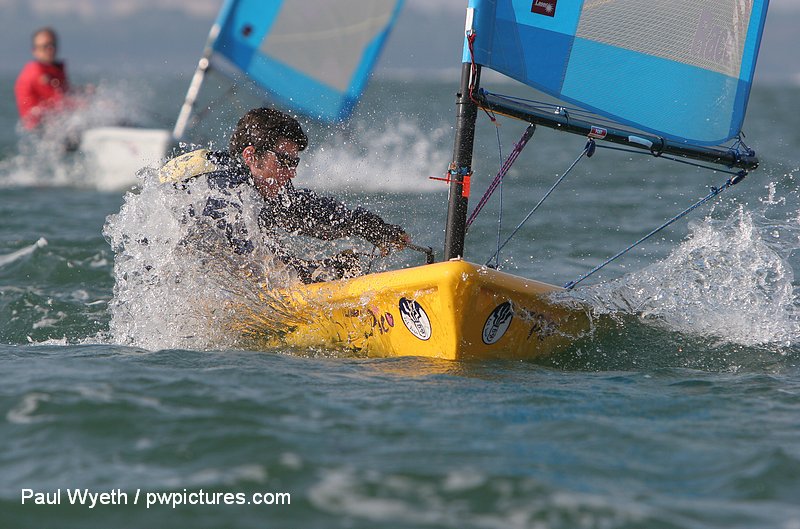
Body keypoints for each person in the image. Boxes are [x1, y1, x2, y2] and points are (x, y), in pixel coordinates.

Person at [161, 107, 410, 283]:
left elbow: (310, 212)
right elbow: (256, 266)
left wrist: (363, 225)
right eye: (284, 162)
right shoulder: (224, 194)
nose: (291, 174)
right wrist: (318, 272)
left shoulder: (261, 184)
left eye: (294, 163)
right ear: (251, 157)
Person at [14, 27, 72, 130]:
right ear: (34, 51)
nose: (50, 49)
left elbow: (65, 94)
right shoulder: (37, 73)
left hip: (54, 122)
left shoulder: (53, 69)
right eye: (45, 46)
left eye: (53, 45)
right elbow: (59, 101)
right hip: (40, 129)